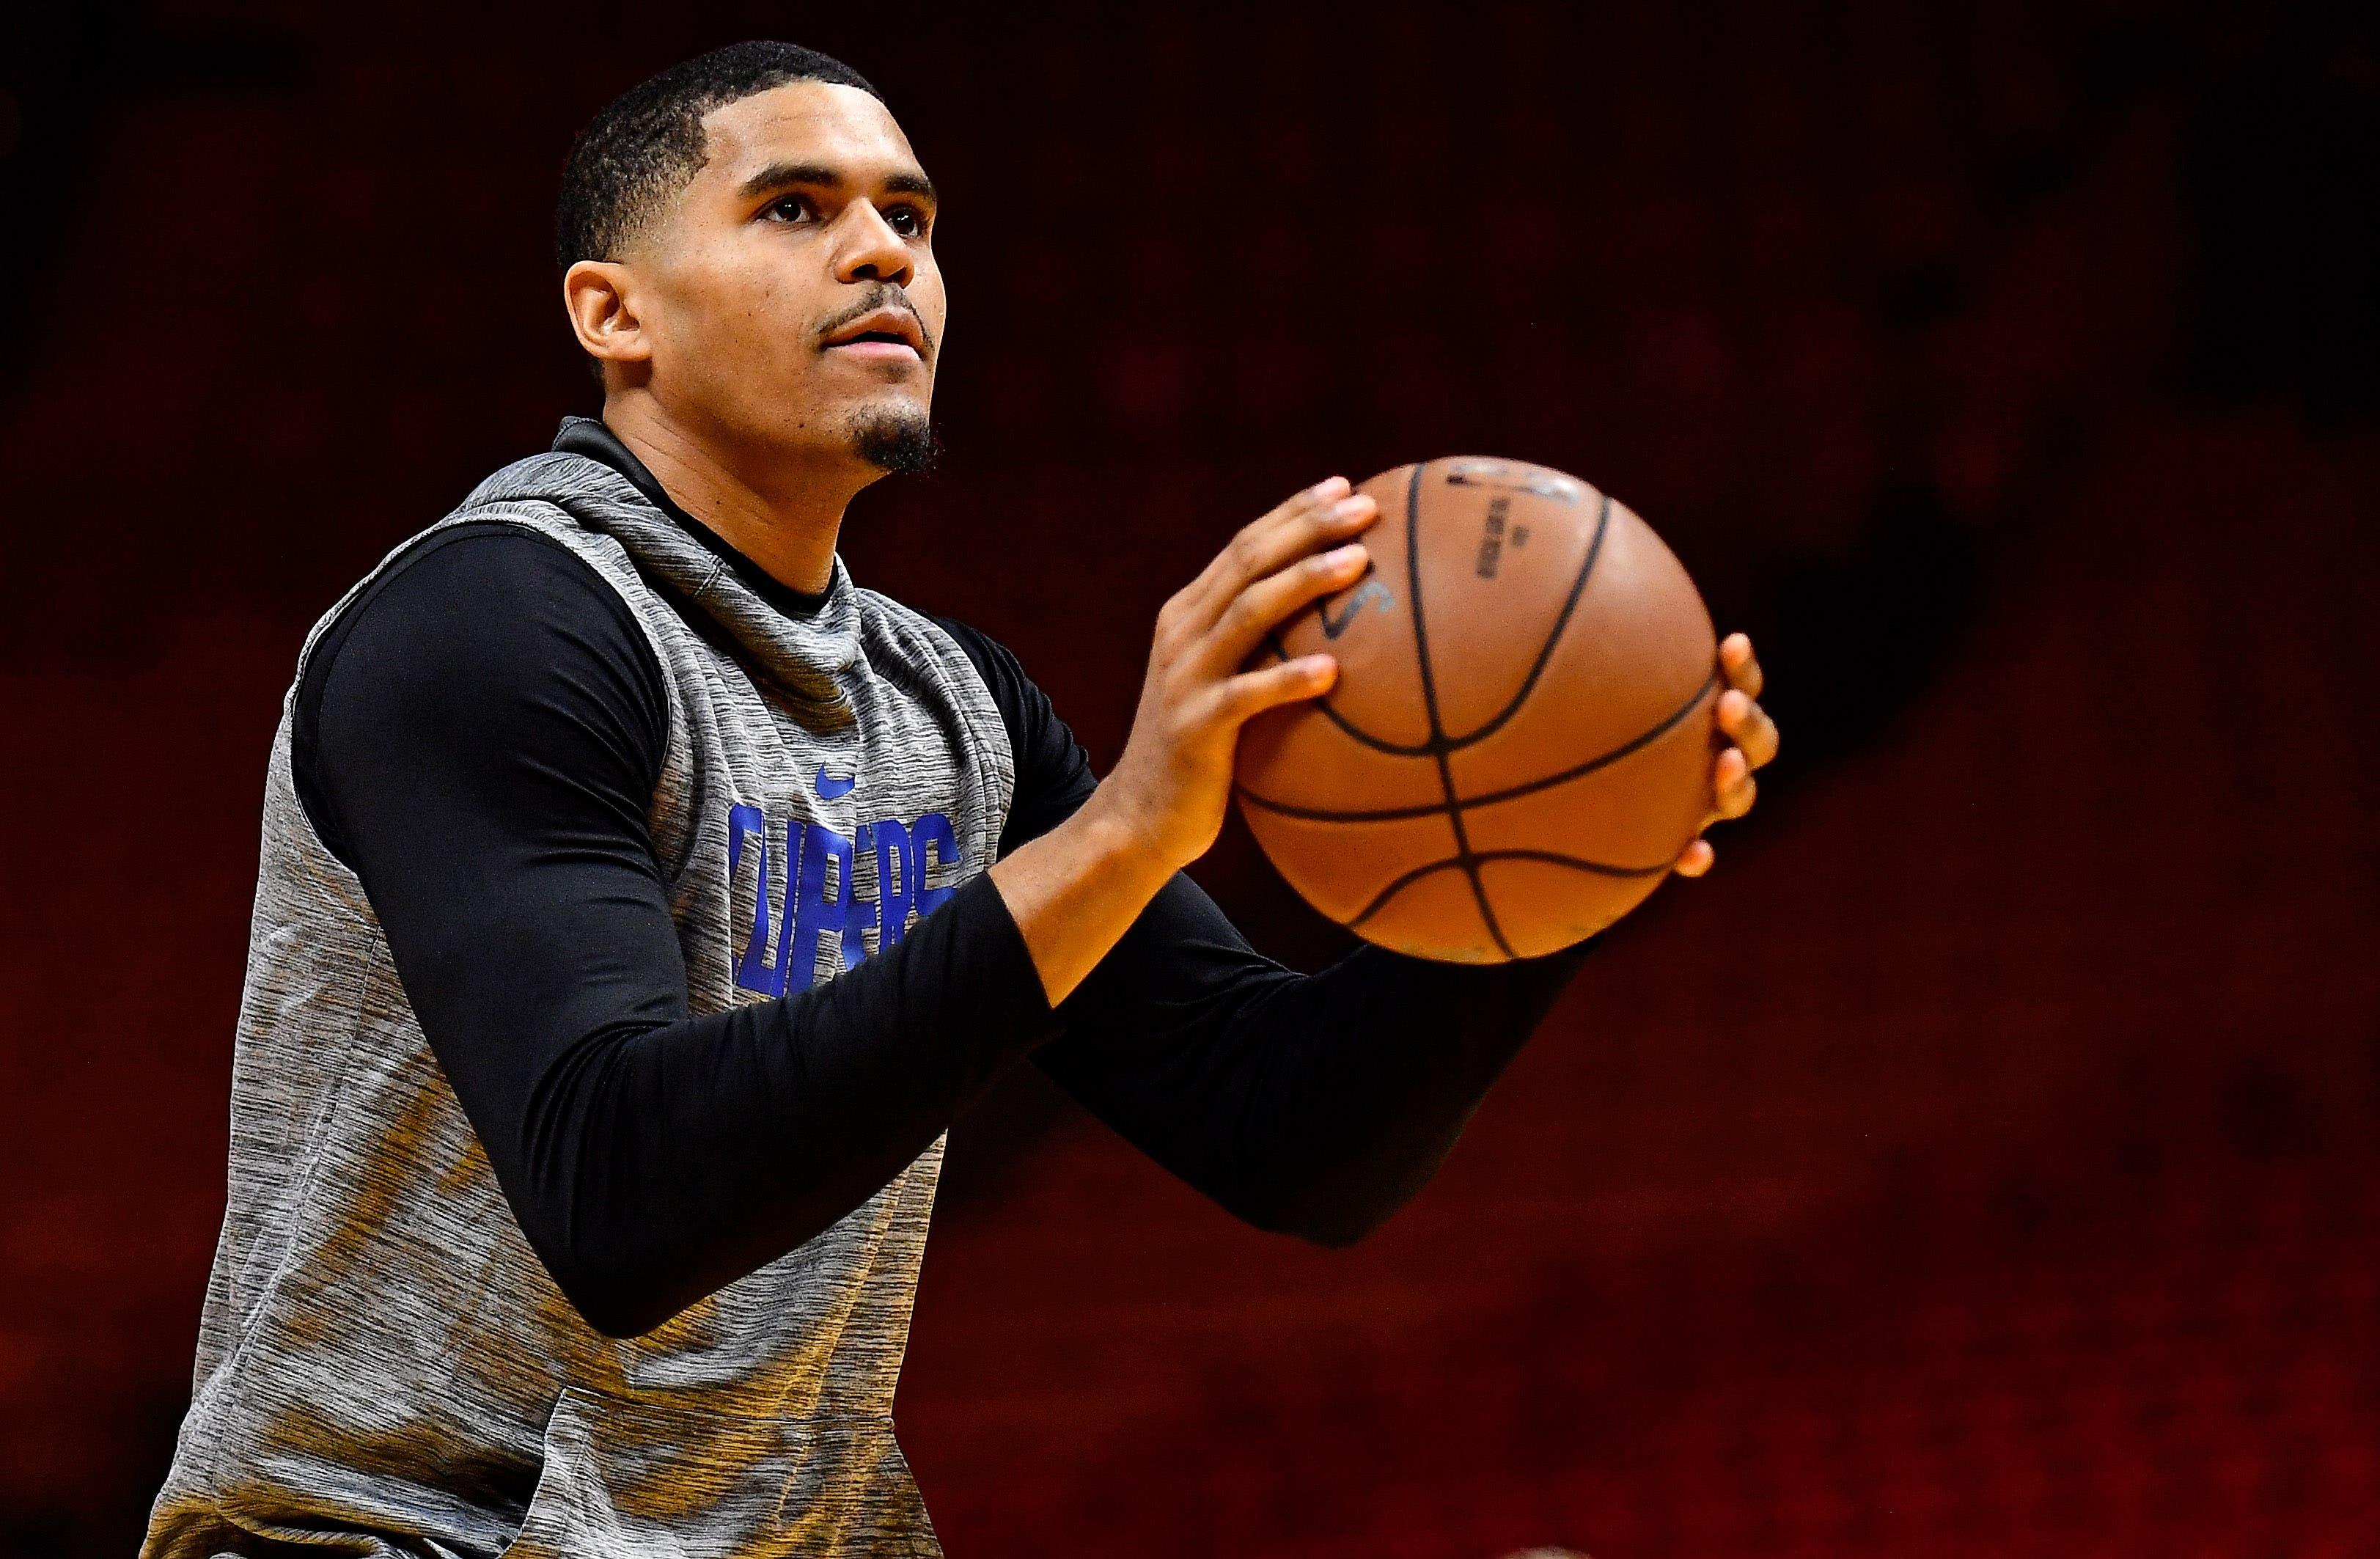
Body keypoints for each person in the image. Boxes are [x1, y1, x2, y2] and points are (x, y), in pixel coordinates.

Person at [143, 40, 1779, 1558]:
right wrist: (1131, 825)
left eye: (910, 217)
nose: (883, 253)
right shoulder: (490, 625)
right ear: (612, 314)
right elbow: (621, 1193)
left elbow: (1302, 1138)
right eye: (797, 208)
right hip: (398, 1534)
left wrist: (1550, 855)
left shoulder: (957, 707)